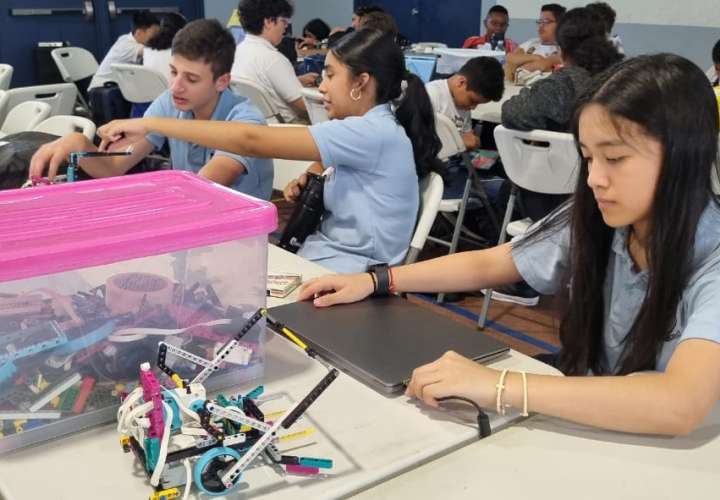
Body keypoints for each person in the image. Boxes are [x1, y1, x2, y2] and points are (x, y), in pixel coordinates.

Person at [298, 53, 720, 437]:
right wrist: (379, 279)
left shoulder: (711, 254)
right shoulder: (604, 217)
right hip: (592, 411)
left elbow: (677, 404)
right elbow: (492, 263)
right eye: (589, 158)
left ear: (685, 155)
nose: (594, 179)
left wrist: (498, 386)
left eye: (616, 158)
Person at [97, 30, 444, 273]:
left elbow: (252, 140)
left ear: (361, 83)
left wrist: (155, 125)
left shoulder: (371, 131)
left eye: (330, 75)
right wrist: (312, 178)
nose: (321, 86)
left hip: (349, 271)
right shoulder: (373, 128)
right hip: (325, 257)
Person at [29, 19, 274, 201]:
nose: (176, 87)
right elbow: (115, 167)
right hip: (190, 224)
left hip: (239, 236)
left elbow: (203, 188)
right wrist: (81, 146)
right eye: (174, 72)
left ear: (222, 81)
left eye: (191, 79)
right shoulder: (170, 102)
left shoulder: (245, 120)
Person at [231, 0, 317, 124]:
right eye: (284, 21)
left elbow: (262, 86)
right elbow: (304, 104)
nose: (285, 27)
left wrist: (297, 80)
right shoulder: (273, 59)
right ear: (268, 22)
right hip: (289, 128)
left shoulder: (238, 52)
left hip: (256, 124)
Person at [426, 57, 504, 150]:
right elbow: (418, 141)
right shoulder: (430, 96)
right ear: (461, 82)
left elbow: (467, 137)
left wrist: (473, 142)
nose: (473, 107)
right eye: (472, 101)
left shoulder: (462, 103)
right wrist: (459, 142)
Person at [88, 11, 160, 91]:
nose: (157, 38)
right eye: (154, 34)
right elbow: (153, 51)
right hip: (102, 90)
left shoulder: (126, 38)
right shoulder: (127, 45)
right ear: (139, 33)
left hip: (113, 88)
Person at [504, 4, 566, 81]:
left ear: (560, 24)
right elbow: (510, 58)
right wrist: (536, 57)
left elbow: (541, 65)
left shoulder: (564, 48)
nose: (541, 26)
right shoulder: (532, 43)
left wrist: (524, 62)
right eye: (540, 22)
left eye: (546, 22)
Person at [143, 12, 188, 83]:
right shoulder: (181, 51)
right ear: (181, 31)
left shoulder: (147, 49)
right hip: (173, 91)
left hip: (151, 91)